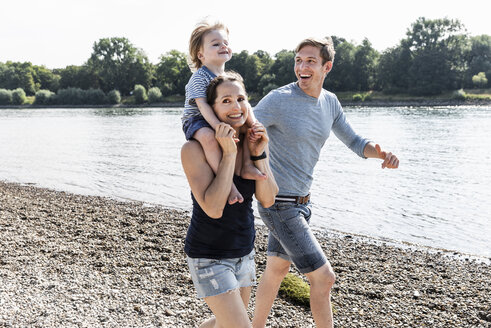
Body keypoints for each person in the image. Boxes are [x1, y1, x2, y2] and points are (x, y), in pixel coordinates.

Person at [251, 37, 400, 328]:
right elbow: (243, 127)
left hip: (303, 204)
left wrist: (379, 152)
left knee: (276, 270)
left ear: (326, 67)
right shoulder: (278, 99)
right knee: (324, 278)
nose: (301, 66)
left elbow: (356, 142)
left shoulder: (329, 102)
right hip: (278, 204)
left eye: (310, 61)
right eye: (298, 60)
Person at [181, 72, 279, 328]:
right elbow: (213, 208)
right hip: (208, 256)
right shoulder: (193, 149)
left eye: (240, 98)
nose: (236, 107)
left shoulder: (252, 142)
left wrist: (259, 155)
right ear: (211, 110)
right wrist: (227, 155)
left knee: (224, 324)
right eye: (225, 101)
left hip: (244, 252)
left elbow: (267, 199)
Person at [183, 20, 265, 206]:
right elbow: (203, 106)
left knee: (246, 131)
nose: (223, 46)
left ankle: (246, 165)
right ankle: (229, 186)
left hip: (216, 115)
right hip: (197, 119)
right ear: (200, 54)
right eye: (216, 44)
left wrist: (252, 123)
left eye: (225, 43)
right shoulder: (199, 77)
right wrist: (218, 127)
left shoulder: (226, 78)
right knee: (210, 138)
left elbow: (245, 103)